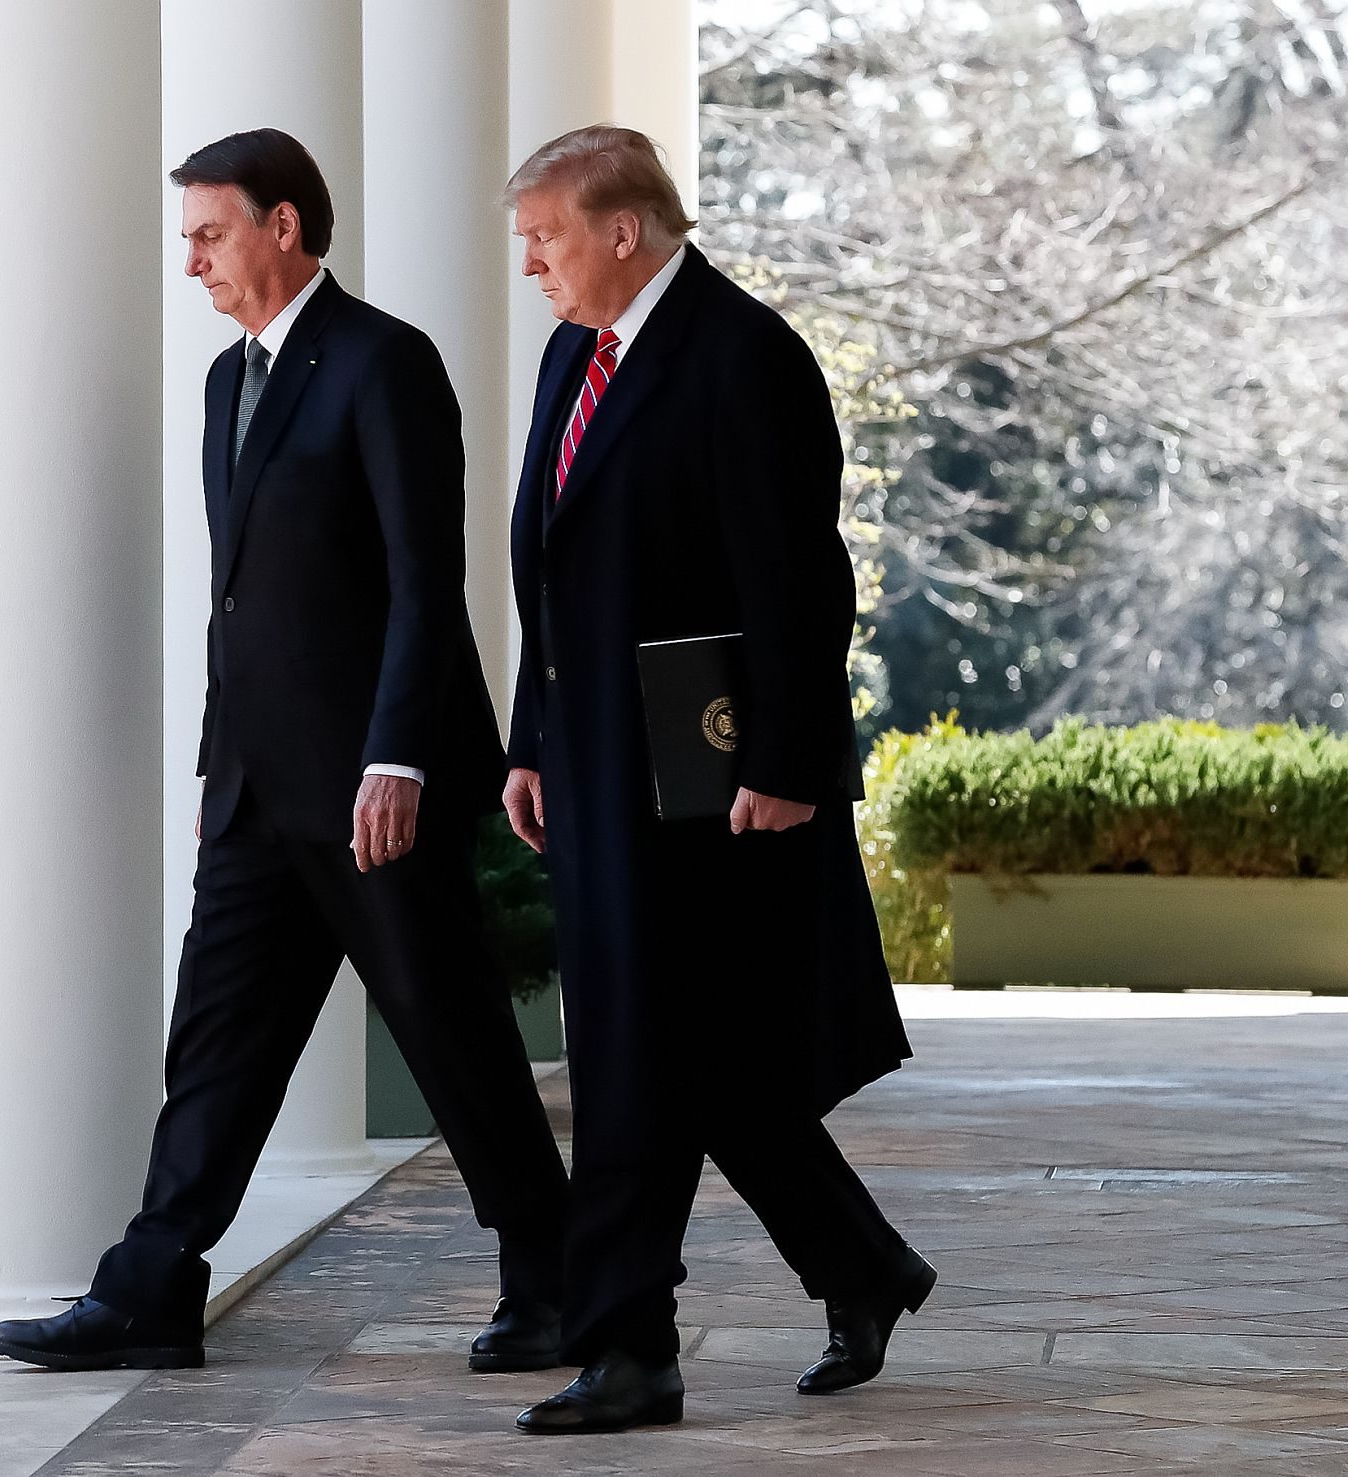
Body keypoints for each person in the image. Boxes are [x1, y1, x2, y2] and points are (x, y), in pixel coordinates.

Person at [0, 128, 568, 1375]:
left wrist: (398, 757)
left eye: (209, 232)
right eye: (187, 237)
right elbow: (237, 597)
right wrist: (216, 763)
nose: (189, 259)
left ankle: (557, 1280)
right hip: (257, 786)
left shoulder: (384, 364)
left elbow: (426, 579)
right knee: (216, 1041)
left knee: (450, 1031)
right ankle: (147, 1291)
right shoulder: (224, 382)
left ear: (285, 227)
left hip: (371, 785)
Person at [499, 125, 935, 1435]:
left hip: (712, 776)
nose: (531, 263)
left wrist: (793, 763)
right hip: (594, 767)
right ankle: (859, 1267)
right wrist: (531, 735)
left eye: (547, 238)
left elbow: (800, 581)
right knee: (698, 1057)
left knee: (637, 1056)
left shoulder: (747, 356)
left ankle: (631, 1347)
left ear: (624, 231)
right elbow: (552, 569)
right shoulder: (576, 352)